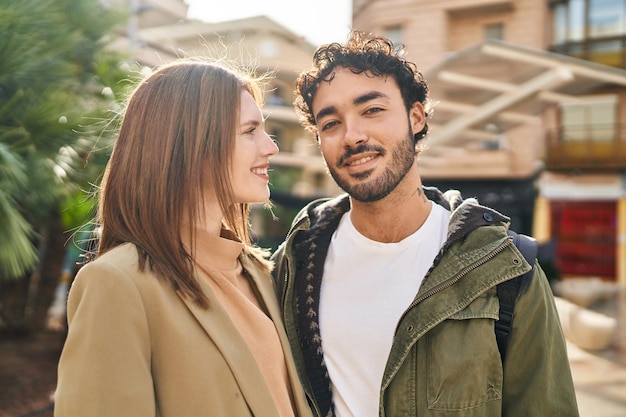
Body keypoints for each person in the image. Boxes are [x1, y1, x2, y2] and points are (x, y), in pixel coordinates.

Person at [271, 31, 579, 417]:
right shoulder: (294, 264)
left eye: (372, 110)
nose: (352, 136)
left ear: (416, 117)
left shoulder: (507, 268)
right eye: (330, 123)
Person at [54, 59, 313, 417]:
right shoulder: (117, 283)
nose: (270, 148)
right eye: (250, 131)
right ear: (191, 143)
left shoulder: (256, 272)